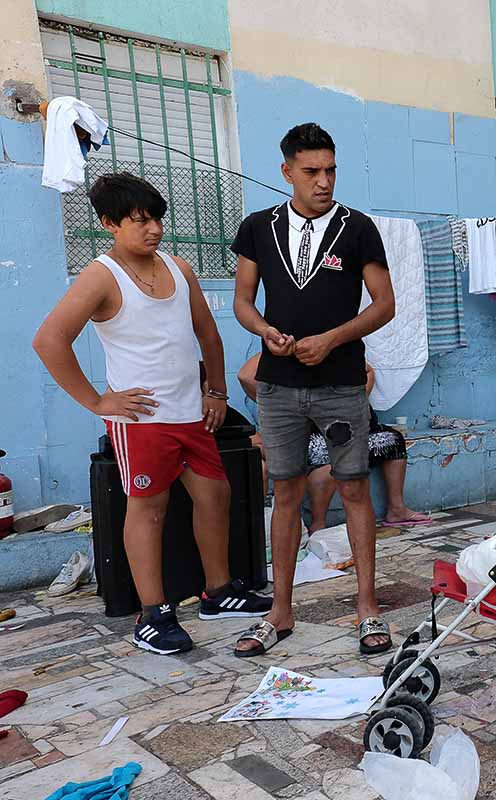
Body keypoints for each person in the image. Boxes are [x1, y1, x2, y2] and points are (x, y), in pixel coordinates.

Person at [32, 173, 270, 655]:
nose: (154, 229)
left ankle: (218, 593)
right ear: (108, 223)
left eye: (157, 218)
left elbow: (208, 335)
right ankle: (153, 614)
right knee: (149, 509)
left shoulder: (180, 268)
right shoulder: (101, 275)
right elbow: (49, 340)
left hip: (191, 413)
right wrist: (98, 401)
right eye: (139, 221)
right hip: (141, 422)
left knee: (216, 495)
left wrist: (217, 393)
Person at [231, 123, 396, 658]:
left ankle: (367, 606)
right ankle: (279, 612)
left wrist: (332, 339)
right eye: (311, 172)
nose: (324, 182)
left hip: (342, 382)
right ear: (287, 172)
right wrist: (265, 334)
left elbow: (383, 304)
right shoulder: (259, 227)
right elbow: (242, 303)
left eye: (330, 170)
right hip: (278, 386)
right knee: (285, 492)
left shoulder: (358, 229)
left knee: (353, 489)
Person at [238, 353, 431, 531]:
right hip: (312, 435)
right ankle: (318, 523)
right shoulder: (288, 365)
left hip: (349, 427)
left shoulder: (338, 354)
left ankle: (396, 509)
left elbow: (367, 371)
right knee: (325, 453)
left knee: (392, 439)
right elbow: (246, 376)